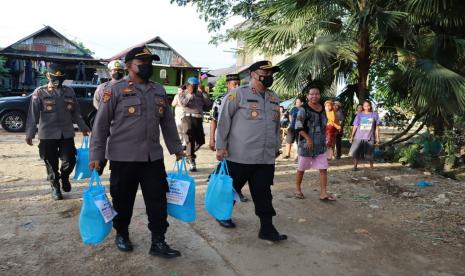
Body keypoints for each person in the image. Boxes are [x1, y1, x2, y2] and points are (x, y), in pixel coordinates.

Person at [89, 46, 184, 258]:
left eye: (151, 62)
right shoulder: (113, 90)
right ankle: (122, 233)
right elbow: (101, 125)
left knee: (158, 200)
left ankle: (158, 241)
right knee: (123, 200)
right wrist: (96, 155)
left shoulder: (158, 90)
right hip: (123, 158)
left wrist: (176, 149)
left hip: (152, 158)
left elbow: (168, 123)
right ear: (129, 66)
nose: (148, 66)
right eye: (143, 63)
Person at [216, 60, 287, 241]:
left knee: (263, 192)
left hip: (264, 157)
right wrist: (221, 146)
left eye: (271, 73)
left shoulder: (273, 97)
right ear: (254, 74)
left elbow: (276, 125)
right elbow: (224, 120)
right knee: (232, 188)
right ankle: (223, 214)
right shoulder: (237, 94)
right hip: (240, 155)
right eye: (266, 72)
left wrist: (276, 146)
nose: (269, 76)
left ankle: (267, 228)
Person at [25, 63, 90, 200]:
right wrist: (30, 133)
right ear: (48, 76)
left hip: (66, 133)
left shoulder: (69, 91)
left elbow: (76, 113)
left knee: (70, 160)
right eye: (55, 77)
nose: (58, 80)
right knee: (51, 162)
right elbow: (33, 114)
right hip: (47, 135)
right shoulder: (40, 92)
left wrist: (83, 127)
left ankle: (64, 177)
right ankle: (55, 186)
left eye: (61, 78)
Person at [208, 73, 248, 204]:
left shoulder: (245, 98)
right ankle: (224, 188)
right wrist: (212, 139)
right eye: (233, 84)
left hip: (241, 139)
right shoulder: (220, 99)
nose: (236, 86)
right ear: (227, 85)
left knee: (239, 166)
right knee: (231, 166)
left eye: (238, 83)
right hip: (226, 138)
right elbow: (213, 120)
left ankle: (231, 187)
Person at [294, 86, 335, 201]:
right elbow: (298, 127)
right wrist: (308, 139)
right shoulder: (303, 109)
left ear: (319, 95)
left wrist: (327, 139)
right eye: (311, 94)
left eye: (316, 94)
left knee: (323, 169)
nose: (314, 96)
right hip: (306, 145)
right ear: (307, 96)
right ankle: (297, 189)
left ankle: (323, 193)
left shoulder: (323, 109)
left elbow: (324, 126)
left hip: (320, 145)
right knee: (301, 168)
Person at [92, 60, 126, 175]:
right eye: (114, 70)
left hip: (120, 125)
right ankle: (98, 169)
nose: (117, 72)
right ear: (109, 72)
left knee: (116, 151)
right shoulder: (102, 87)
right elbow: (96, 103)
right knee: (101, 148)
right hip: (105, 123)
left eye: (120, 70)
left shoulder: (128, 87)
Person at [179, 77, 212, 172]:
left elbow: (208, 104)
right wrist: (190, 94)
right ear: (188, 85)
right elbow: (184, 104)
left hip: (198, 119)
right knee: (190, 140)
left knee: (201, 140)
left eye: (195, 86)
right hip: (187, 118)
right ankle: (192, 161)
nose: (193, 87)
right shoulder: (183, 93)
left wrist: (204, 92)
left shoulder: (200, 94)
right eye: (192, 86)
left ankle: (189, 154)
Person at [348, 100, 380, 171]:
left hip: (370, 137)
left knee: (370, 154)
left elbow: (377, 127)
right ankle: (355, 166)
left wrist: (378, 138)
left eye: (368, 105)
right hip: (358, 137)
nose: (366, 107)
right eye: (365, 105)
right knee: (356, 153)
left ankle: (371, 167)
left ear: (370, 106)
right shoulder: (359, 115)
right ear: (363, 106)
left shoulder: (374, 114)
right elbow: (355, 126)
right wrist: (351, 136)